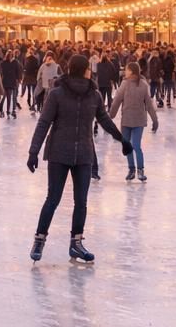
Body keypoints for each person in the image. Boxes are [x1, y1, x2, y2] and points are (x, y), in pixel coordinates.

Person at [26, 54, 130, 263]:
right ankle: (39, 239)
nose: (91, 71)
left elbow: (104, 119)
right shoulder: (57, 94)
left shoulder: (94, 95)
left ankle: (76, 243)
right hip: (59, 152)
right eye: (89, 68)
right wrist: (33, 151)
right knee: (54, 199)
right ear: (84, 71)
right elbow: (44, 122)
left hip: (83, 154)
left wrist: (121, 139)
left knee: (80, 201)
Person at [108, 60, 159, 182]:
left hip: (138, 121)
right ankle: (131, 169)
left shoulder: (142, 85)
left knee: (136, 145)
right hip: (126, 120)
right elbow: (117, 101)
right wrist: (111, 115)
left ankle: (140, 170)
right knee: (128, 145)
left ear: (131, 71)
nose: (125, 72)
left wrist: (155, 120)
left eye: (126, 70)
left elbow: (149, 104)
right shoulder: (125, 84)